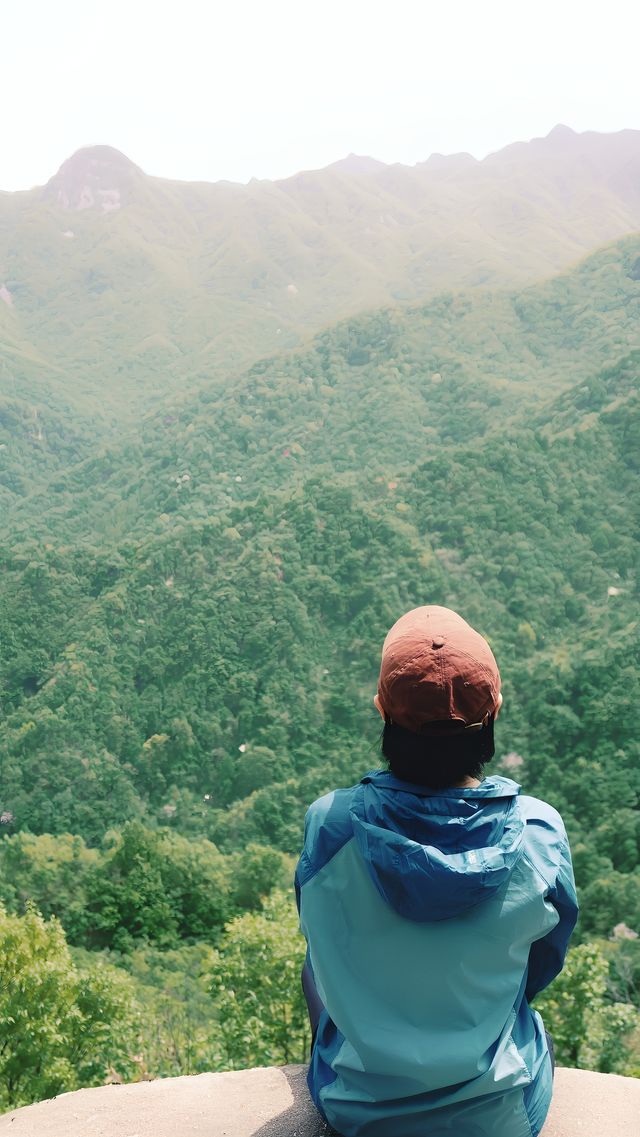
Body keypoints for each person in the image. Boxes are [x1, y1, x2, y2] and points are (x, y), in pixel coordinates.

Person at [295, 605, 578, 1137]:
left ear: (384, 714)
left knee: (313, 961)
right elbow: (542, 963)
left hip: (355, 1113)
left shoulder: (329, 826)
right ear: (490, 719)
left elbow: (322, 943)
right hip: (500, 1117)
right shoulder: (539, 833)